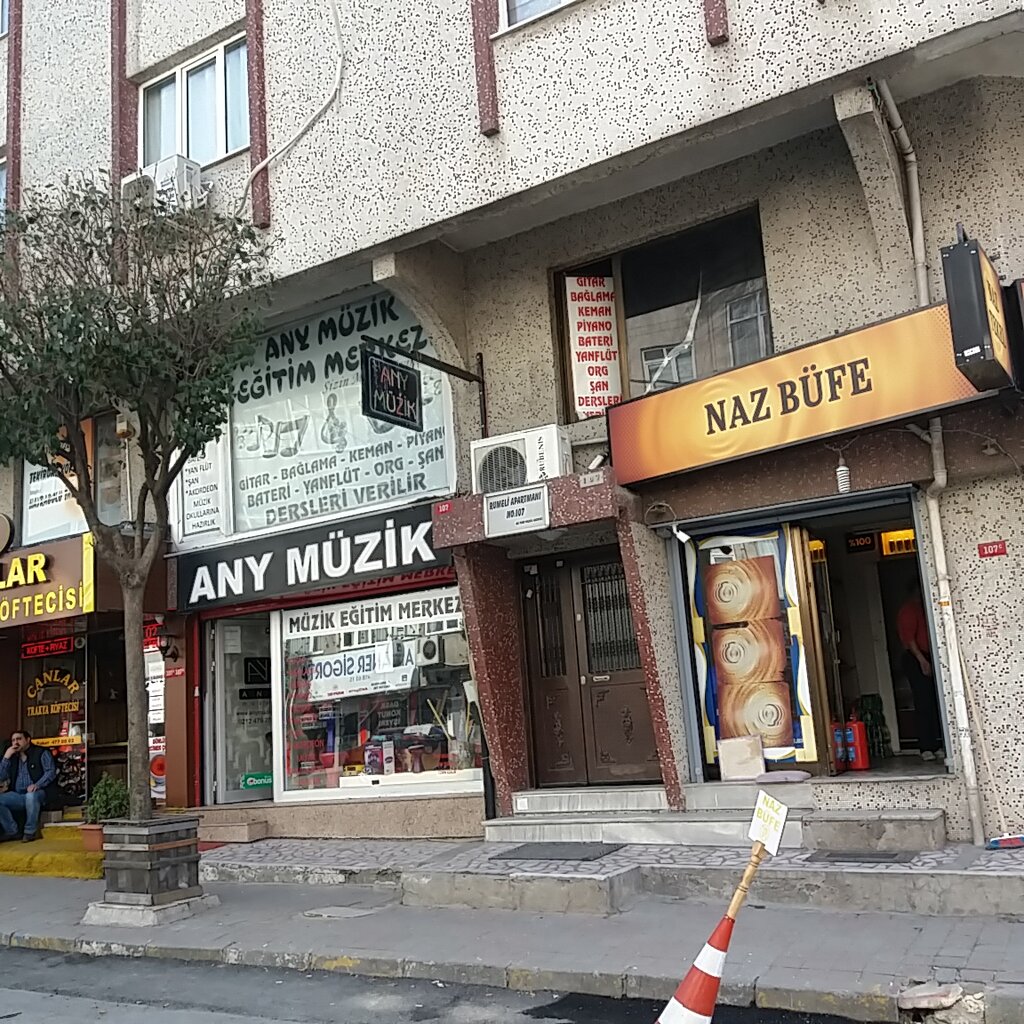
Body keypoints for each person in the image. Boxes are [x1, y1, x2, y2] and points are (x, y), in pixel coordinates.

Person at [897, 581, 945, 762]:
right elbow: (910, 639)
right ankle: (925, 746)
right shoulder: (909, 611)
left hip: (927, 655)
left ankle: (936, 744)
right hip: (916, 657)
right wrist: (922, 661)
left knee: (933, 701)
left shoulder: (923, 609)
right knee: (923, 701)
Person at [0, 729, 57, 842]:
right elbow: (1, 776)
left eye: (19, 739)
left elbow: (50, 772)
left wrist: (38, 784)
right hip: (18, 795)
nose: (16, 742)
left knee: (31, 796)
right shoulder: (12, 757)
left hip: (40, 793)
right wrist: (6, 757)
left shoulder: (41, 752)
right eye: (13, 740)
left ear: (28, 740)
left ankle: (30, 832)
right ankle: (12, 831)